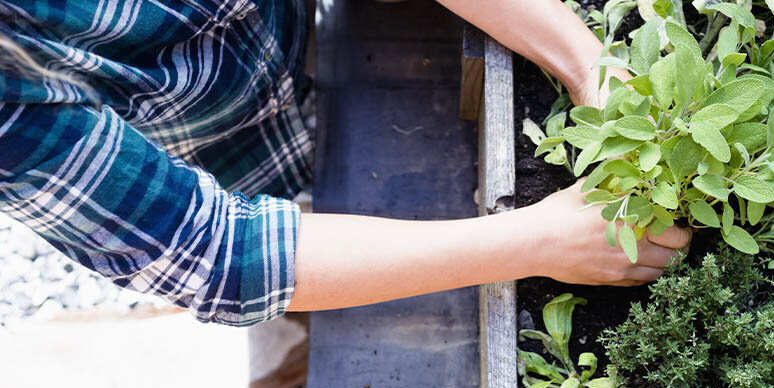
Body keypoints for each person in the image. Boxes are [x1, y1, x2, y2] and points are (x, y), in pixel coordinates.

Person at [0, 0, 691, 327]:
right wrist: (543, 238)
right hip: (232, 155)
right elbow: (223, 255)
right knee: (323, 303)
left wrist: (582, 58)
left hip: (291, 23)